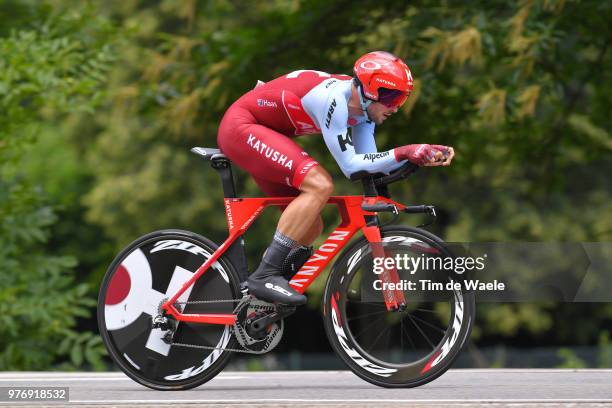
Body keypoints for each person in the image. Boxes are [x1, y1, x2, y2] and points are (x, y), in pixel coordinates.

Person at [217, 51, 454, 306]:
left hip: (269, 134)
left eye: (402, 98)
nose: (396, 107)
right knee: (320, 185)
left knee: (311, 226)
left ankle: (253, 303)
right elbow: (351, 167)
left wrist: (419, 156)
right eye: (392, 97)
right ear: (372, 90)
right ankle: (265, 275)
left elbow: (370, 161)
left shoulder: (363, 110)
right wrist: (404, 151)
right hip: (241, 127)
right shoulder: (334, 100)